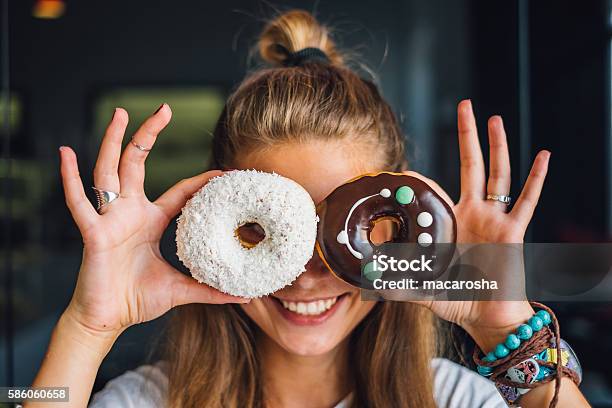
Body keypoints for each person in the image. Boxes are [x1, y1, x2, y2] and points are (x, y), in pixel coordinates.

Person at [29, 10, 590, 408]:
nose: (306, 274)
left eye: (344, 229)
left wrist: (506, 330)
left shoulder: (460, 399)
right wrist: (87, 329)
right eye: (270, 234)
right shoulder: (141, 400)